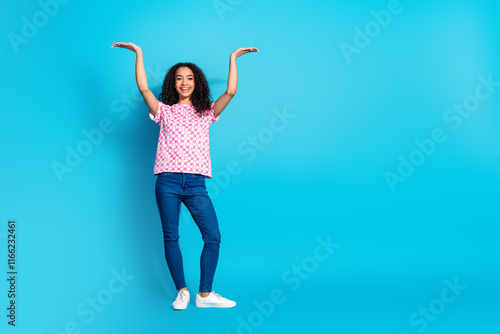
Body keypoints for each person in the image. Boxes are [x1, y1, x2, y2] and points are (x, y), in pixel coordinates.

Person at [111, 41, 259, 310]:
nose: (184, 82)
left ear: (197, 83)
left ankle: (205, 294)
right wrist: (139, 53)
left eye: (189, 78)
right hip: (166, 182)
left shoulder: (206, 113)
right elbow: (144, 88)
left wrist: (233, 57)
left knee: (212, 236)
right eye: (179, 78)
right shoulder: (163, 111)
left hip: (195, 184)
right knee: (171, 236)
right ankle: (182, 292)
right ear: (172, 83)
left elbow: (231, 91)